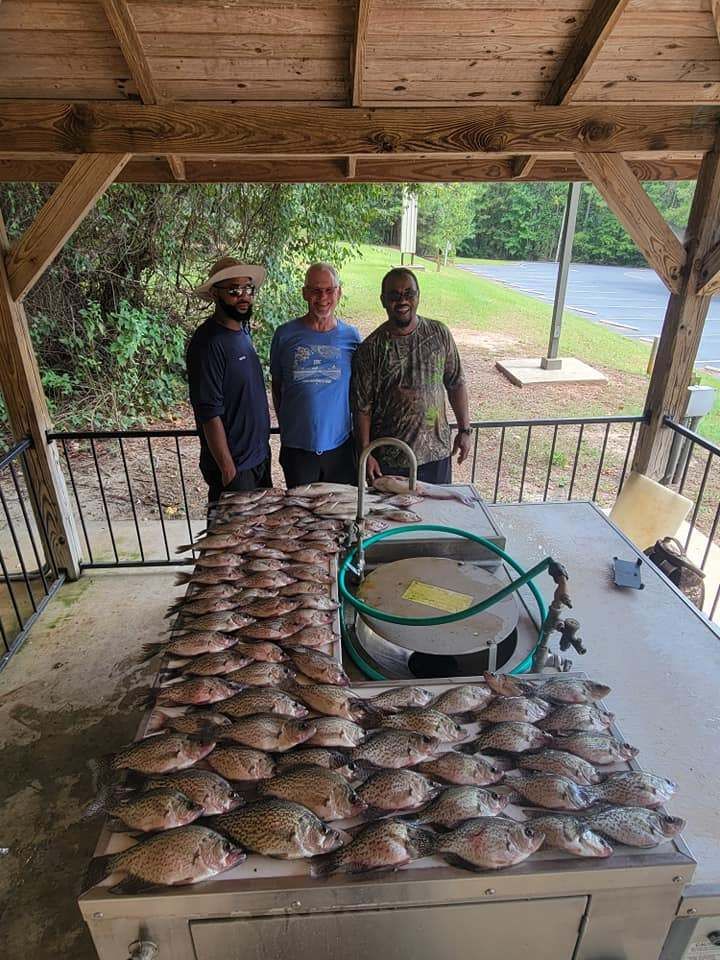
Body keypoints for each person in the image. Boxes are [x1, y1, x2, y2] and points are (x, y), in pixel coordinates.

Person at [351, 267, 471, 483]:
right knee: (389, 517)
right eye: (394, 295)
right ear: (383, 300)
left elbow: (456, 383)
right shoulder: (369, 349)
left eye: (409, 293)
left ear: (418, 296)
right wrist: (366, 453)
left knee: (436, 515)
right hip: (388, 460)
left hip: (437, 456)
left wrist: (465, 430)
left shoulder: (439, 333)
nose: (402, 300)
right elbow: (362, 408)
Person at [186, 257, 271, 503]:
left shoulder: (242, 331)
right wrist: (227, 468)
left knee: (257, 535)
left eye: (248, 289)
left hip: (256, 458)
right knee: (230, 537)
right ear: (215, 293)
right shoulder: (208, 343)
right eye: (234, 290)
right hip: (236, 467)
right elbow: (208, 412)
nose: (243, 296)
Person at [270, 262, 361, 487]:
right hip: (298, 450)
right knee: (303, 518)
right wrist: (288, 427)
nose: (323, 297)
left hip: (341, 449)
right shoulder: (284, 335)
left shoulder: (352, 337)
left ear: (339, 292)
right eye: (315, 290)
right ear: (304, 293)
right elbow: (278, 386)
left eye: (329, 290)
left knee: (342, 517)